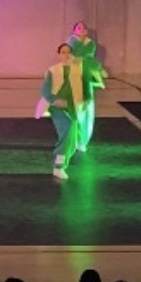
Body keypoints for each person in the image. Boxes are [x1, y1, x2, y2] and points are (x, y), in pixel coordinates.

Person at [36, 42, 86, 180]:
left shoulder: (78, 70)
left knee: (72, 139)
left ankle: (62, 162)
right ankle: (58, 166)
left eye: (68, 52)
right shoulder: (53, 71)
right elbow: (45, 91)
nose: (66, 55)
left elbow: (85, 87)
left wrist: (85, 100)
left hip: (73, 107)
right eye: (63, 52)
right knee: (67, 132)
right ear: (59, 54)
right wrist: (54, 100)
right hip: (57, 108)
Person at [67, 21, 106, 152]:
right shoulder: (70, 42)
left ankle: (83, 140)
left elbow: (89, 58)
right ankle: (74, 139)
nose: (81, 29)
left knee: (87, 108)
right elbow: (69, 57)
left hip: (86, 77)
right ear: (74, 31)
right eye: (78, 27)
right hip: (74, 76)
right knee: (75, 109)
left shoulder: (91, 44)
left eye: (83, 28)